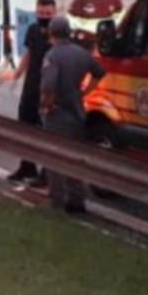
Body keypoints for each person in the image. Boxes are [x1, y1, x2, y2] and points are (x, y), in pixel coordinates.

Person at [40, 15, 108, 212]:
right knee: (74, 158)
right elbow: (100, 72)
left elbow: (49, 86)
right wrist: (85, 92)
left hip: (57, 113)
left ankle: (56, 200)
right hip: (77, 111)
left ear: (51, 33)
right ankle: (77, 200)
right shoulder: (81, 53)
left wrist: (45, 106)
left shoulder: (53, 56)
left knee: (55, 158)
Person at [3, 0, 57, 187]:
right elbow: (29, 53)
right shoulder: (33, 29)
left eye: (48, 13)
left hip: (47, 88)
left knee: (46, 131)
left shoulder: (58, 34)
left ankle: (47, 173)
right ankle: (27, 166)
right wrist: (17, 74)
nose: (44, 16)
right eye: (41, 13)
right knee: (25, 127)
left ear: (55, 12)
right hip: (31, 86)